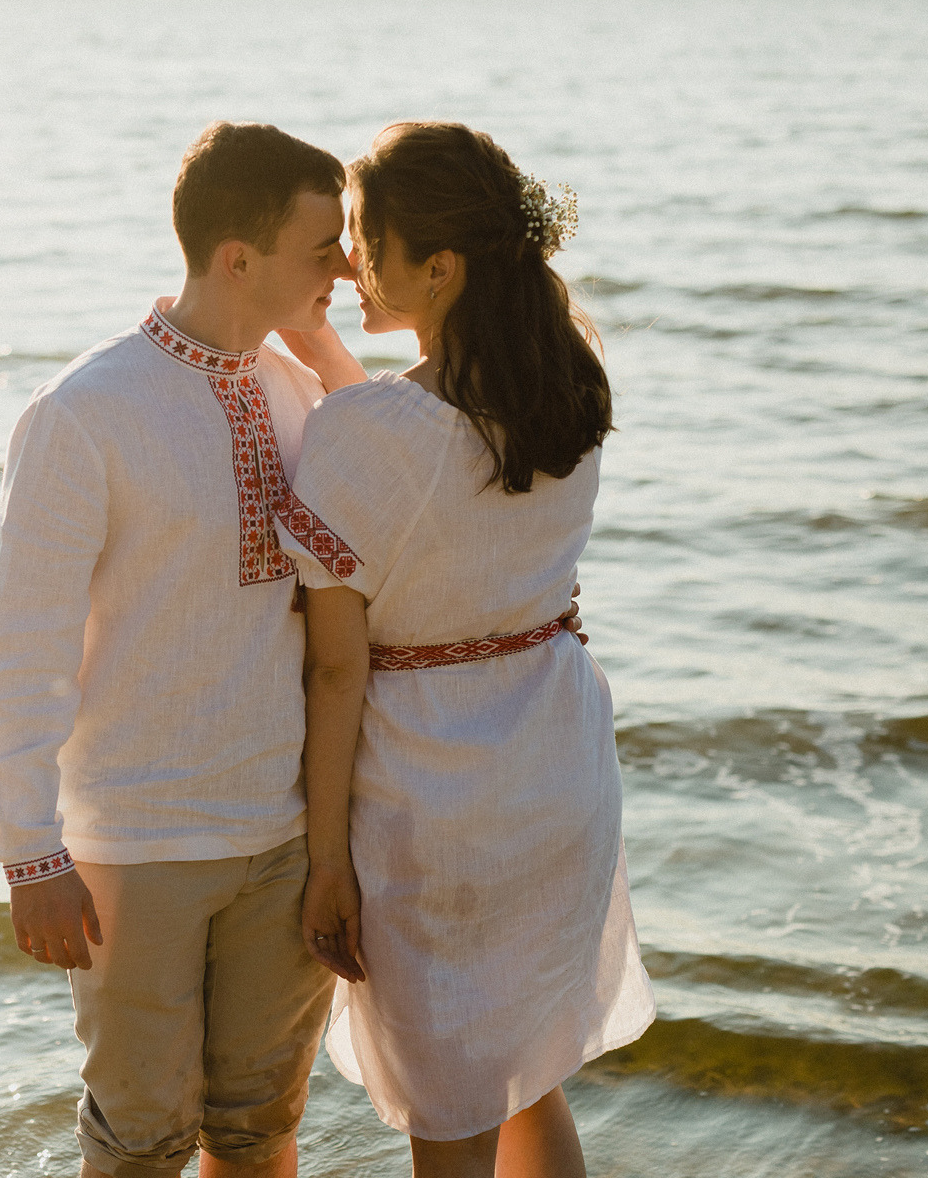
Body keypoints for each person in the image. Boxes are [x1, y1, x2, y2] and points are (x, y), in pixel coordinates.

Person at [0, 121, 376, 1178]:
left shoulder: (300, 395)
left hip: (283, 837)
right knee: (140, 1138)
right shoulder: (84, 412)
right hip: (135, 847)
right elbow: (20, 647)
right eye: (323, 246)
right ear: (238, 258)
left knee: (257, 1126)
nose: (348, 265)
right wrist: (29, 849)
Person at [282, 122, 655, 1178]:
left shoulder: (368, 434)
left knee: (449, 1108)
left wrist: (324, 864)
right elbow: (421, 459)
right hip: (553, 763)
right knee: (527, 1074)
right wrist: (324, 353)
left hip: (435, 797)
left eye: (365, 238)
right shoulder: (563, 385)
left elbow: (335, 667)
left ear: (438, 267)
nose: (350, 259)